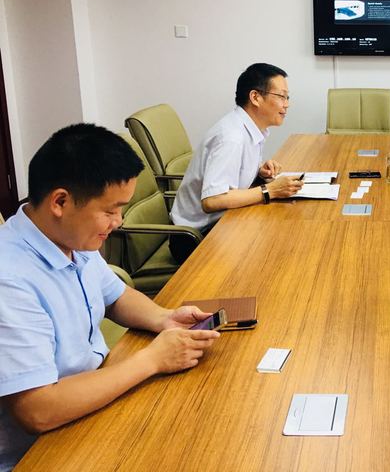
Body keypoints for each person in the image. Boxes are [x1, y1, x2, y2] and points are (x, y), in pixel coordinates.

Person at [0, 124, 221, 471]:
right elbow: (37, 410)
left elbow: (115, 295)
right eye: (110, 210)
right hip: (40, 451)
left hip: (92, 404)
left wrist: (164, 317)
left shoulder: (71, 236)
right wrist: (152, 360)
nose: (118, 222)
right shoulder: (9, 279)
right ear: (60, 202)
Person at [169, 63, 303, 259]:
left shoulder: (248, 127)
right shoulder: (231, 136)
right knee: (278, 247)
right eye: (281, 96)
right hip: (197, 237)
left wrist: (258, 170)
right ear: (255, 97)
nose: (286, 104)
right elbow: (212, 200)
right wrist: (270, 190)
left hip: (224, 222)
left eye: (287, 97)